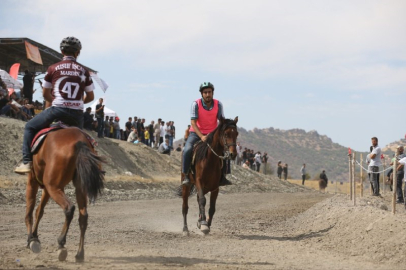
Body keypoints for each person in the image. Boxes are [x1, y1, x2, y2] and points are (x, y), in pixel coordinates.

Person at [15, 36, 95, 173]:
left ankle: (27, 162)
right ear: (78, 53)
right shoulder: (84, 71)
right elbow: (91, 97)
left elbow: (46, 93)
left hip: (58, 109)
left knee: (29, 126)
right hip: (77, 114)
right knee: (83, 140)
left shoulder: (53, 68)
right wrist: (76, 102)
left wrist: (56, 101)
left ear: (62, 52)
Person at [182, 82, 231, 186]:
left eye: (209, 92)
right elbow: (193, 123)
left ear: (213, 93)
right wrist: (201, 136)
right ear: (201, 94)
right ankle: (186, 175)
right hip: (196, 133)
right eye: (205, 92)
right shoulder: (195, 104)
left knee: (226, 149)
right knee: (187, 150)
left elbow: (221, 120)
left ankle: (223, 176)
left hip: (212, 133)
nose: (208, 94)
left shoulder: (218, 104)